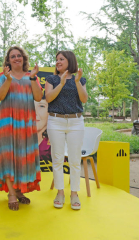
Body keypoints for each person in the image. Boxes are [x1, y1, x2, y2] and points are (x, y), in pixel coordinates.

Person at [0, 46, 43, 211]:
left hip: (26, 123)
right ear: (8, 60)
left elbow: (38, 97)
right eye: (12, 56)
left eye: (19, 55)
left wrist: (34, 78)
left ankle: (20, 190)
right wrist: (8, 80)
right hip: (7, 123)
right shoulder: (3, 76)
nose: (16, 58)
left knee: (23, 157)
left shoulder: (31, 77)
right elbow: (0, 96)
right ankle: (12, 194)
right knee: (8, 157)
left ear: (23, 58)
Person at [45, 51, 88, 210]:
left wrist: (76, 82)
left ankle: (74, 193)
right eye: (56, 59)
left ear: (70, 61)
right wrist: (61, 83)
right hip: (55, 120)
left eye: (61, 59)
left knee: (75, 160)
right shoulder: (52, 79)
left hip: (76, 122)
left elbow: (84, 99)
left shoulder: (80, 79)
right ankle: (60, 192)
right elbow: (48, 98)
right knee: (57, 158)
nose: (58, 62)